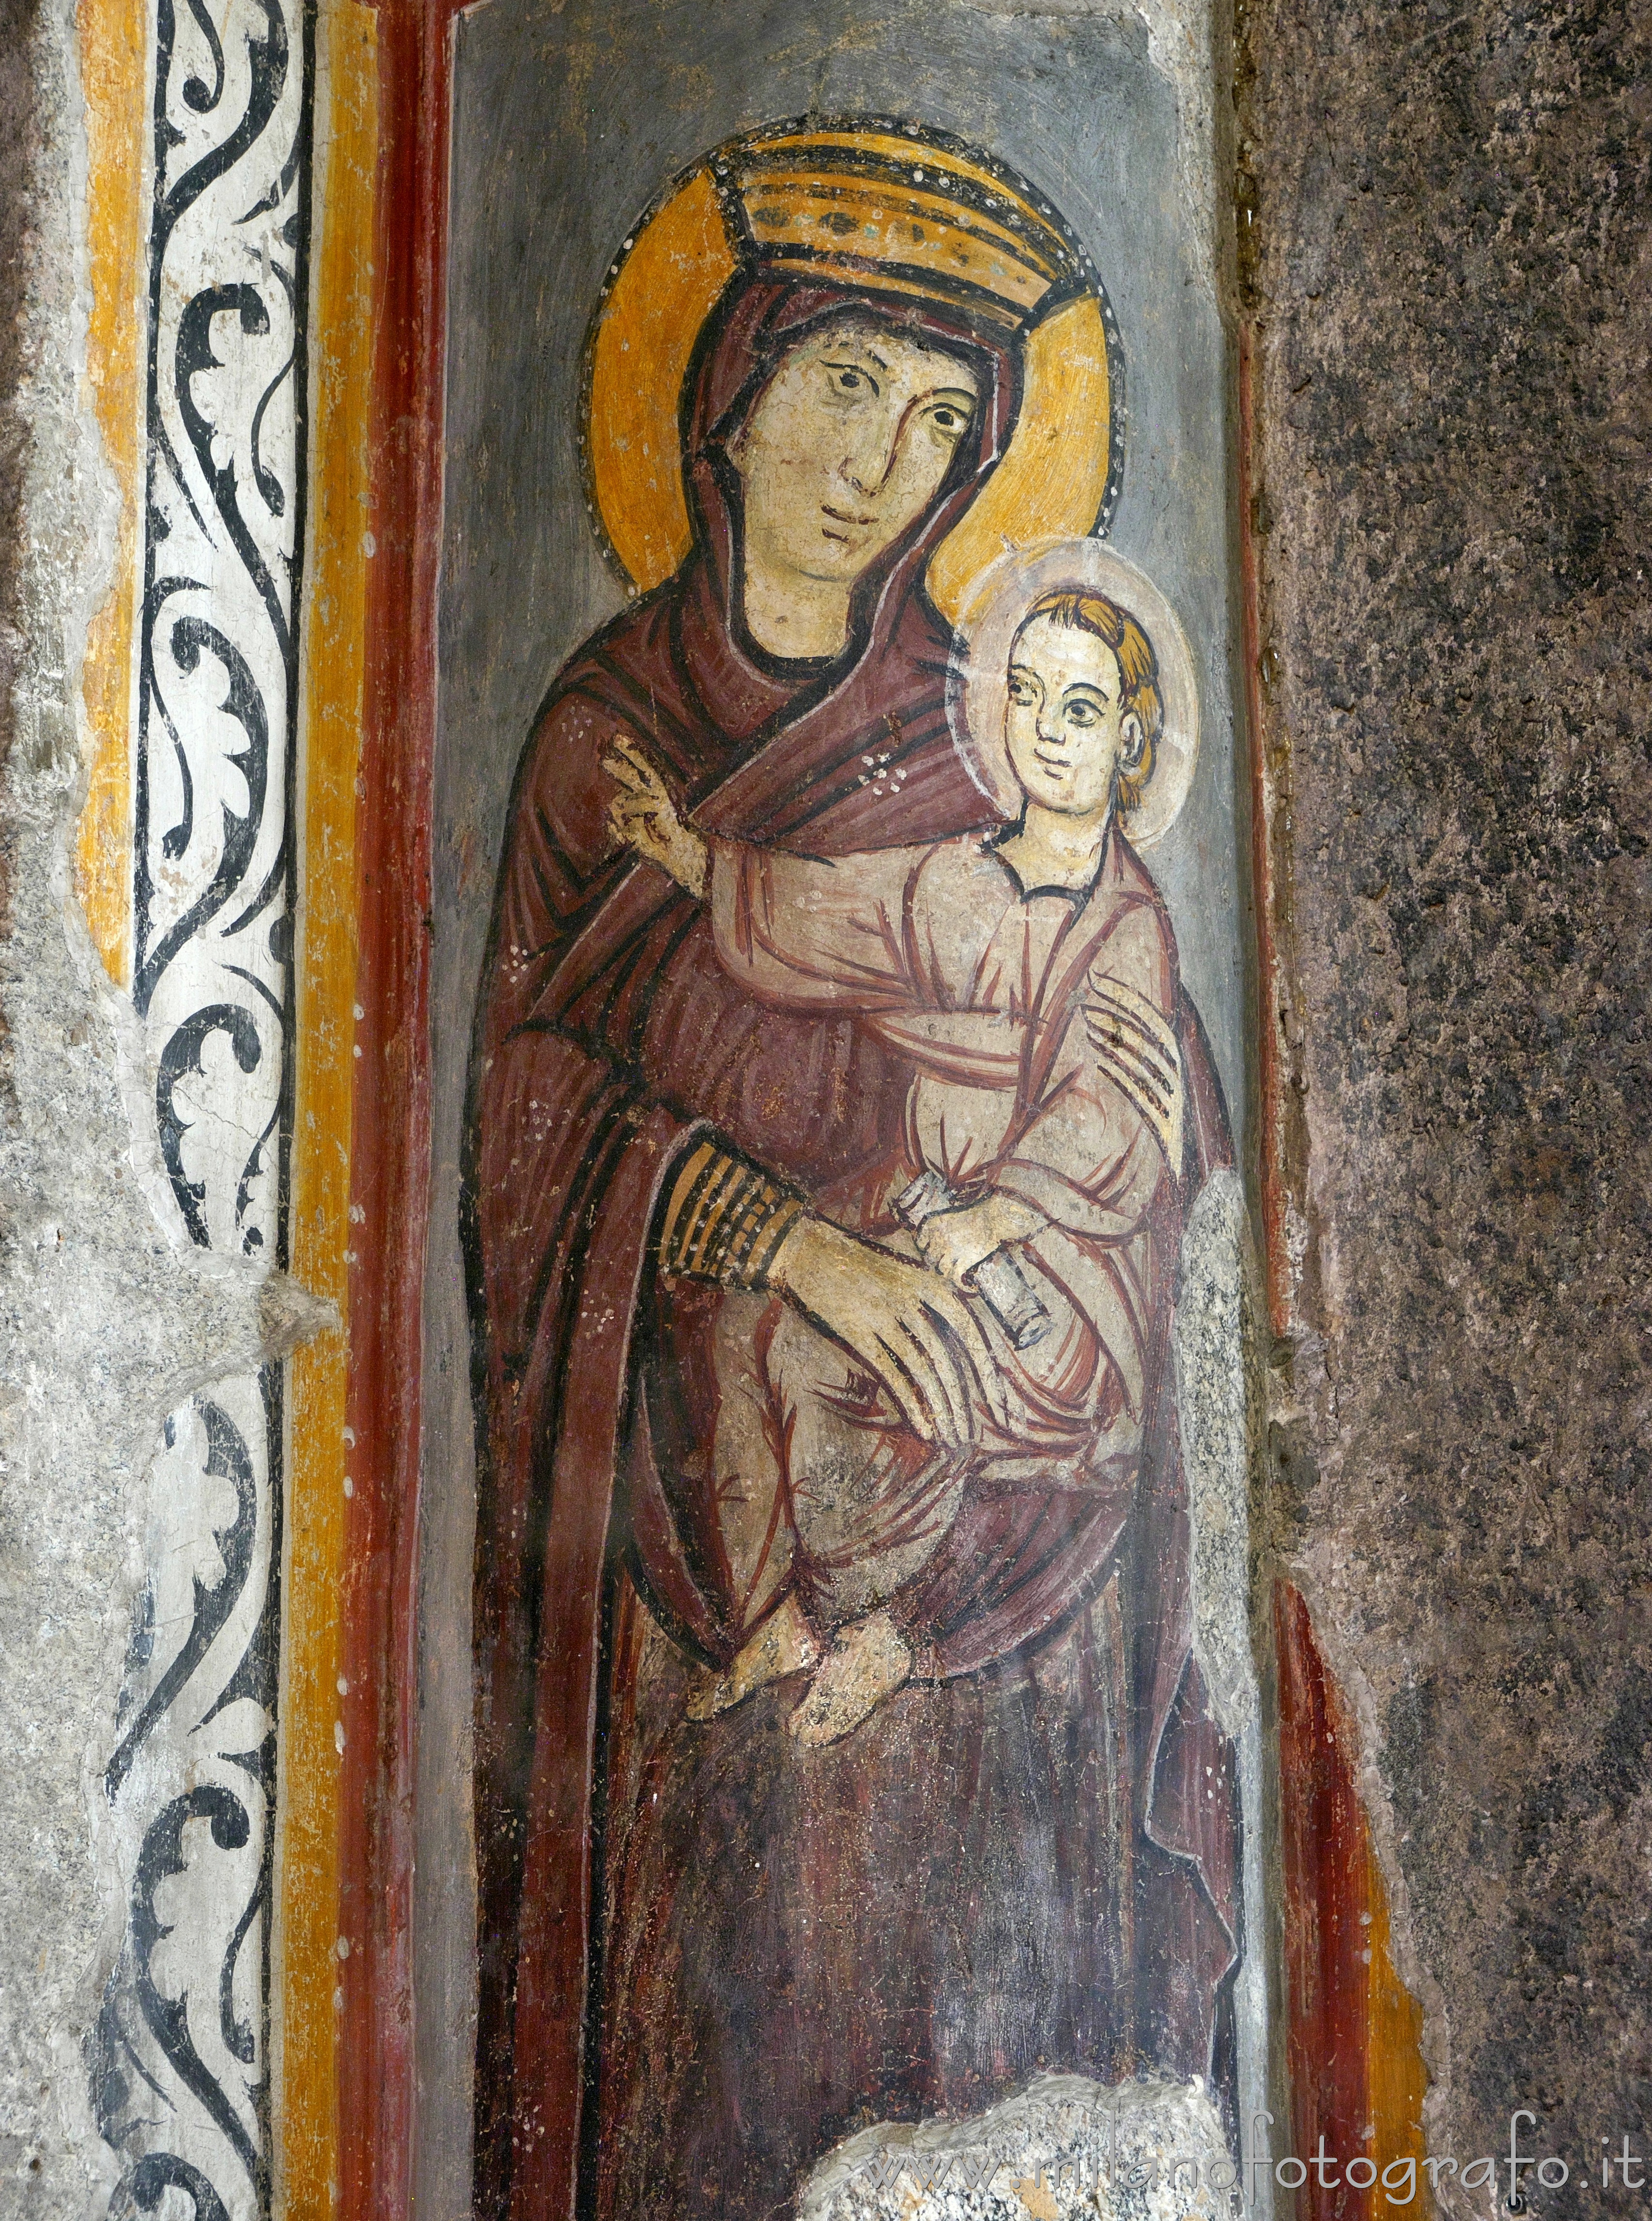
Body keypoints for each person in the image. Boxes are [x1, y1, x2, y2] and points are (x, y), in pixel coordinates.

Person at [468, 124, 1237, 2221]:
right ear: (727, 388)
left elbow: (1139, 1102)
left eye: (937, 420)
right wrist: (789, 1246)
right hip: (680, 1543)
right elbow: (527, 1134)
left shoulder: (988, 742)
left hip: (1001, 1592)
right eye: (843, 388)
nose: (882, 464)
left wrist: (1096, 1179)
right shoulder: (600, 739)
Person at [604, 586, 1190, 1751]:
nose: (1046, 730)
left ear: (1129, 737)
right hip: (919, 1209)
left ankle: (872, 1626)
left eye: (1080, 707)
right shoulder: (959, 874)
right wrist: (693, 860)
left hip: (1054, 1264)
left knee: (893, 1369)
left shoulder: (1125, 922)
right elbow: (834, 911)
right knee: (752, 1330)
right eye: (1025, 698)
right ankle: (785, 1614)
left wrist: (1001, 1214)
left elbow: (1109, 1110)